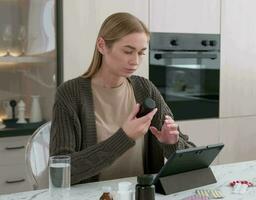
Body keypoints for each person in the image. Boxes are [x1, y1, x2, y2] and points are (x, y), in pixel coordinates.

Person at [50, 12, 195, 185]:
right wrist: (124, 137)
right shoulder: (70, 94)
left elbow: (190, 156)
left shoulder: (145, 89)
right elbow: (60, 174)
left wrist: (171, 143)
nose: (135, 61)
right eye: (128, 51)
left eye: (141, 53)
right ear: (102, 45)